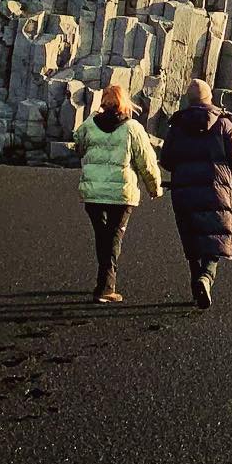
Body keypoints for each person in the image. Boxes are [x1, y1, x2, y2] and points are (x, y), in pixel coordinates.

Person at [72, 84, 163, 303]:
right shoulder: (132, 128)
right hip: (121, 193)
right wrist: (154, 187)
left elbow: (79, 146)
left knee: (103, 236)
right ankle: (105, 287)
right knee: (113, 237)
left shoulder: (89, 125)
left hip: (93, 192)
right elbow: (146, 161)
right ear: (124, 102)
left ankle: (103, 282)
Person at [161, 79, 232, 309]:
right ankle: (206, 277)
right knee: (214, 235)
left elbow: (166, 158)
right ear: (209, 98)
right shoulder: (224, 125)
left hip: (184, 190)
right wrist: (224, 174)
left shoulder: (177, 126)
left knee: (192, 236)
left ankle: (197, 280)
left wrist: (182, 170)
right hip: (216, 189)